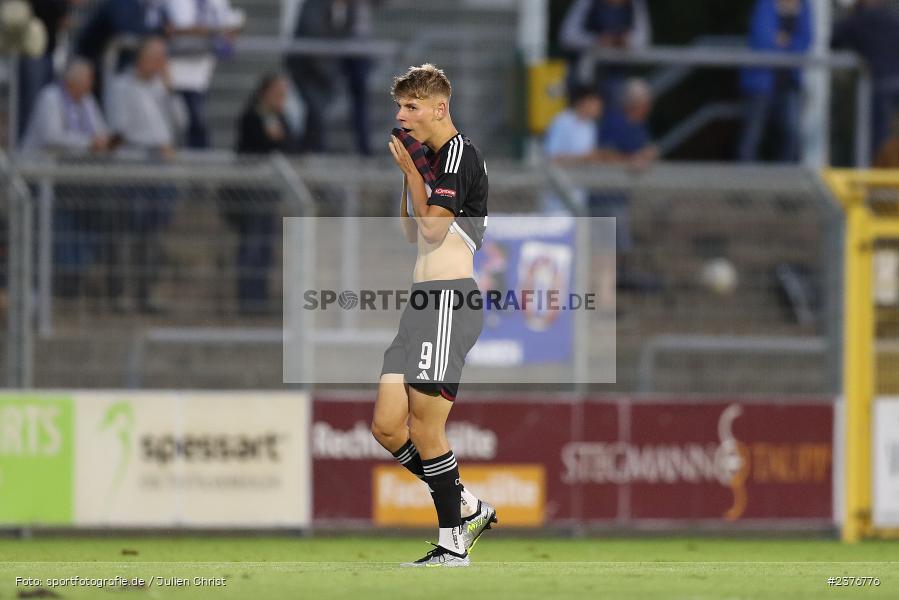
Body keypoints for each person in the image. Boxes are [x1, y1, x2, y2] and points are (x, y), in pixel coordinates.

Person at [373, 64, 495, 567]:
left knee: (426, 428)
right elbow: (409, 230)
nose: (402, 117)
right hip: (421, 304)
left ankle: (453, 544)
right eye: (401, 107)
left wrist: (410, 172)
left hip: (448, 300)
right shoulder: (433, 162)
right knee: (386, 425)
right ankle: (465, 503)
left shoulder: (461, 155)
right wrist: (412, 175)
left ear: (438, 108)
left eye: (411, 107)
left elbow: (432, 232)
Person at [106, 37, 185, 312]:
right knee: (127, 231)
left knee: (154, 233)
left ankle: (147, 293)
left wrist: (170, 90)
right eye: (157, 57)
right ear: (142, 58)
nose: (162, 63)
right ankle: (121, 294)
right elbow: (119, 128)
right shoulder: (121, 86)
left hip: (160, 165)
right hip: (134, 163)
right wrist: (150, 144)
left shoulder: (160, 89)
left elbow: (181, 123)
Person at [21, 59, 111, 298]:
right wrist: (89, 144)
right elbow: (51, 137)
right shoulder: (50, 98)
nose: (91, 86)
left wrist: (104, 142)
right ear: (74, 81)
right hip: (42, 177)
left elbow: (100, 132)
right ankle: (59, 279)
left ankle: (74, 274)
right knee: (58, 226)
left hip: (75, 180)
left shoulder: (88, 102)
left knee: (90, 218)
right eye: (88, 80)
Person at [221, 74, 296, 314]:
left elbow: (292, 143)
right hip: (251, 191)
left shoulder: (280, 118)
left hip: (270, 192)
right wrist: (274, 140)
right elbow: (258, 145)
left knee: (265, 246)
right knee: (251, 245)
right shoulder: (251, 116)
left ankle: (260, 298)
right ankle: (247, 299)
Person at [737, 0, 812, 163]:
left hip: (789, 80)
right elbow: (762, 40)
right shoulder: (766, 4)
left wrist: (783, 42)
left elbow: (806, 40)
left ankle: (786, 178)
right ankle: (744, 177)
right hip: (761, 79)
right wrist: (788, 45)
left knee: (792, 132)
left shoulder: (804, 5)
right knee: (753, 133)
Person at [164, 0, 244, 148]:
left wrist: (224, 33)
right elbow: (179, 28)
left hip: (201, 75)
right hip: (175, 74)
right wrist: (214, 32)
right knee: (181, 125)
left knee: (197, 127)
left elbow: (229, 28)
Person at [832, 0, 899, 159]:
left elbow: (834, 40)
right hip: (892, 83)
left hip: (880, 86)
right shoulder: (892, 18)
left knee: (878, 139)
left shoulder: (860, 20)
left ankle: (875, 179)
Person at [559, 0, 651, 102]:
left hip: (616, 75)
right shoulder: (587, 3)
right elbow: (567, 36)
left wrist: (625, 41)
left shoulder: (634, 4)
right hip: (582, 74)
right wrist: (597, 40)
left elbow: (642, 40)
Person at [17, 0, 80, 141]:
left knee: (46, 104)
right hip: (33, 52)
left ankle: (41, 146)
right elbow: (41, 8)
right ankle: (25, 149)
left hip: (49, 51)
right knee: (31, 106)